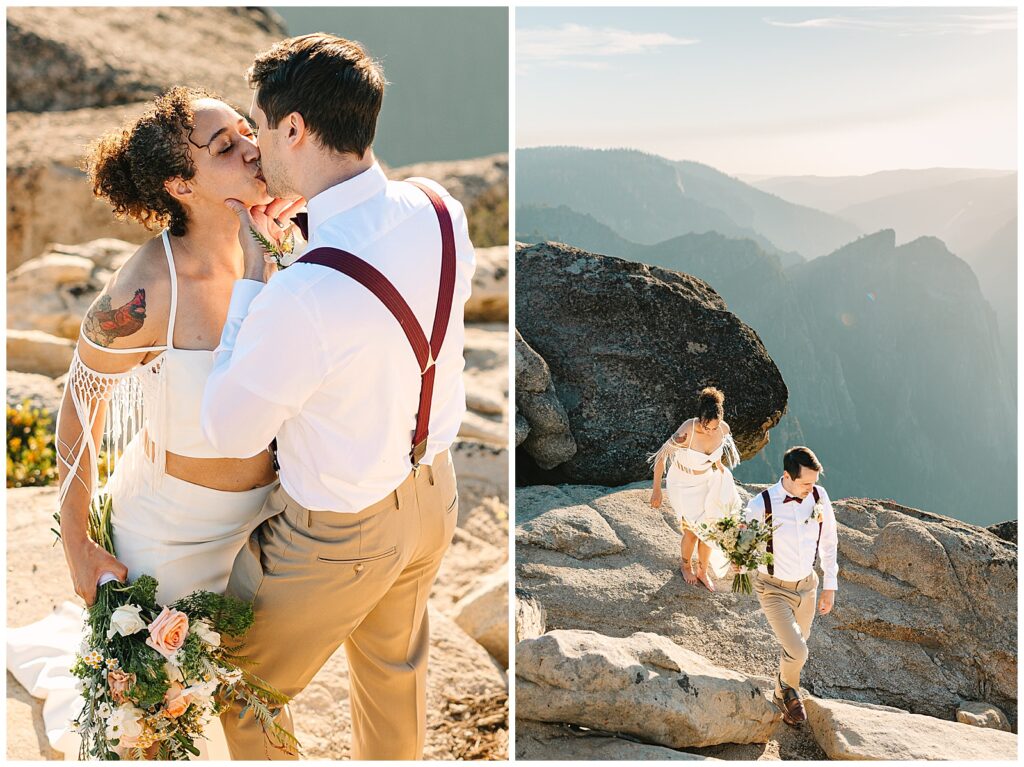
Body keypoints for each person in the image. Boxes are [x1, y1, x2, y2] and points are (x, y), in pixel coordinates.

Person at [6, 86, 305, 759]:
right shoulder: (147, 289)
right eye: (223, 147)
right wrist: (77, 541)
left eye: (243, 131)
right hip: (169, 540)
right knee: (144, 728)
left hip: (267, 525)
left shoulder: (285, 241)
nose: (251, 149)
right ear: (181, 183)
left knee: (250, 696)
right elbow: (83, 398)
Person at [200, 33, 475, 760]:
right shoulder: (442, 210)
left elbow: (229, 427)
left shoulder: (303, 291)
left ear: (294, 127)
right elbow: (377, 302)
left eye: (259, 126)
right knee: (393, 683)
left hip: (340, 535)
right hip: (434, 495)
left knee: (237, 688)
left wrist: (256, 279)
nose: (254, 147)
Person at [739, 446, 839, 725]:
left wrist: (830, 585)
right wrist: (739, 557)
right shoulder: (761, 505)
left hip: (808, 587)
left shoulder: (819, 496)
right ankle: (788, 694)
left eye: (814, 482)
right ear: (787, 476)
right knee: (798, 651)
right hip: (772, 588)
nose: (812, 488)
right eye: (806, 482)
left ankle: (781, 687)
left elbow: (829, 540)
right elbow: (743, 544)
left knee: (796, 647)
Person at [650, 387, 740, 591]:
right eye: (706, 427)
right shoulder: (687, 430)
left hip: (706, 481)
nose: (710, 431)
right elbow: (661, 457)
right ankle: (685, 566)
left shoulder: (723, 429)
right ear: (700, 419)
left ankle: (703, 570)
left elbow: (716, 457)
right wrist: (657, 489)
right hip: (682, 482)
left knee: (709, 529)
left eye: (714, 427)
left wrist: (721, 471)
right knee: (692, 530)